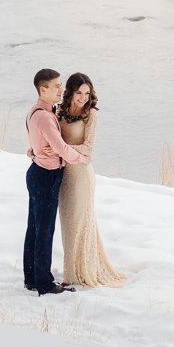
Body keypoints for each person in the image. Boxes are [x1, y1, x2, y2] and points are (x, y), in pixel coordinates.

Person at [56, 73, 128, 288]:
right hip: (62, 174)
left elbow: (89, 149)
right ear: (70, 92)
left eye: (87, 94)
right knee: (67, 224)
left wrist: (61, 149)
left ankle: (72, 276)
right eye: (79, 92)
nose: (83, 98)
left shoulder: (91, 115)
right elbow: (48, 136)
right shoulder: (58, 111)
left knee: (79, 223)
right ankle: (73, 269)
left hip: (81, 176)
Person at [23, 68, 88, 296]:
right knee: (44, 230)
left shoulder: (37, 111)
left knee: (35, 228)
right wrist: (83, 158)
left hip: (38, 171)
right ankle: (44, 283)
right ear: (43, 89)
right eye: (57, 86)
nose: (61, 89)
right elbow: (61, 148)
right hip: (46, 176)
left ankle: (31, 278)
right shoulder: (44, 116)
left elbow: (40, 141)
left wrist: (36, 151)